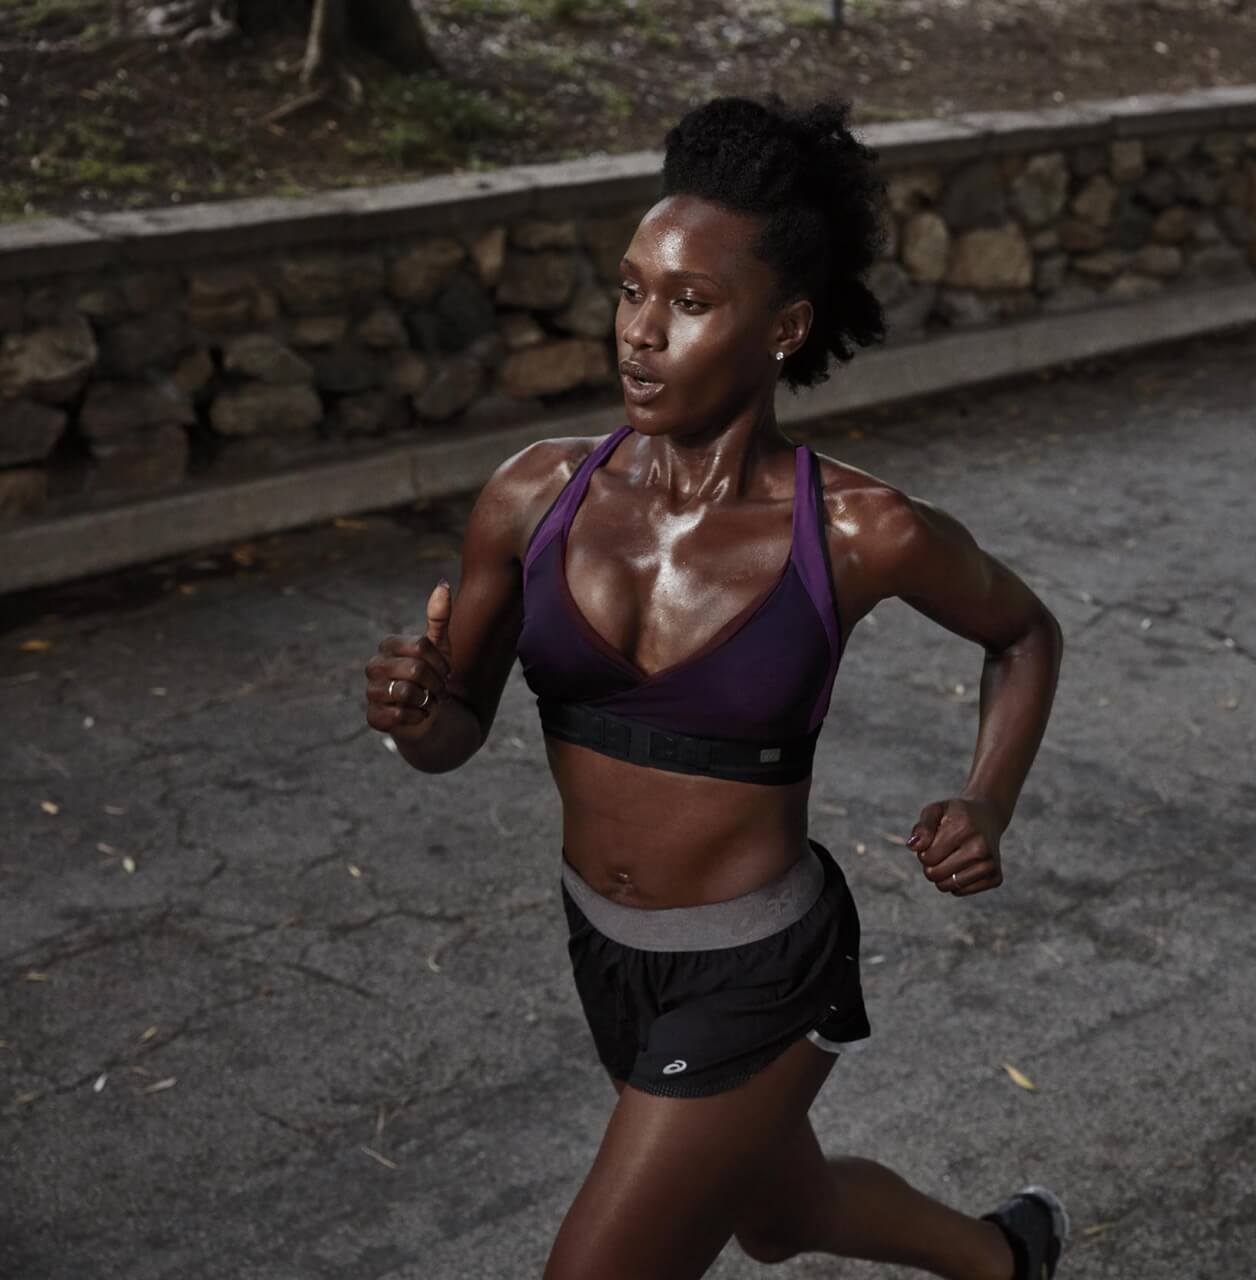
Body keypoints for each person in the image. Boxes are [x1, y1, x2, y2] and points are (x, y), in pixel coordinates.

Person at [362, 95, 1069, 1280]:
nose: (640, 332)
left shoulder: (860, 530)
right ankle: (1007, 1258)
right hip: (604, 946)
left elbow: (1025, 631)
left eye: (689, 302)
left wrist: (988, 797)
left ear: (783, 326)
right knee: (780, 1212)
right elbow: (452, 733)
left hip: (759, 965)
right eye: (631, 290)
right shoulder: (533, 496)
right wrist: (415, 715)